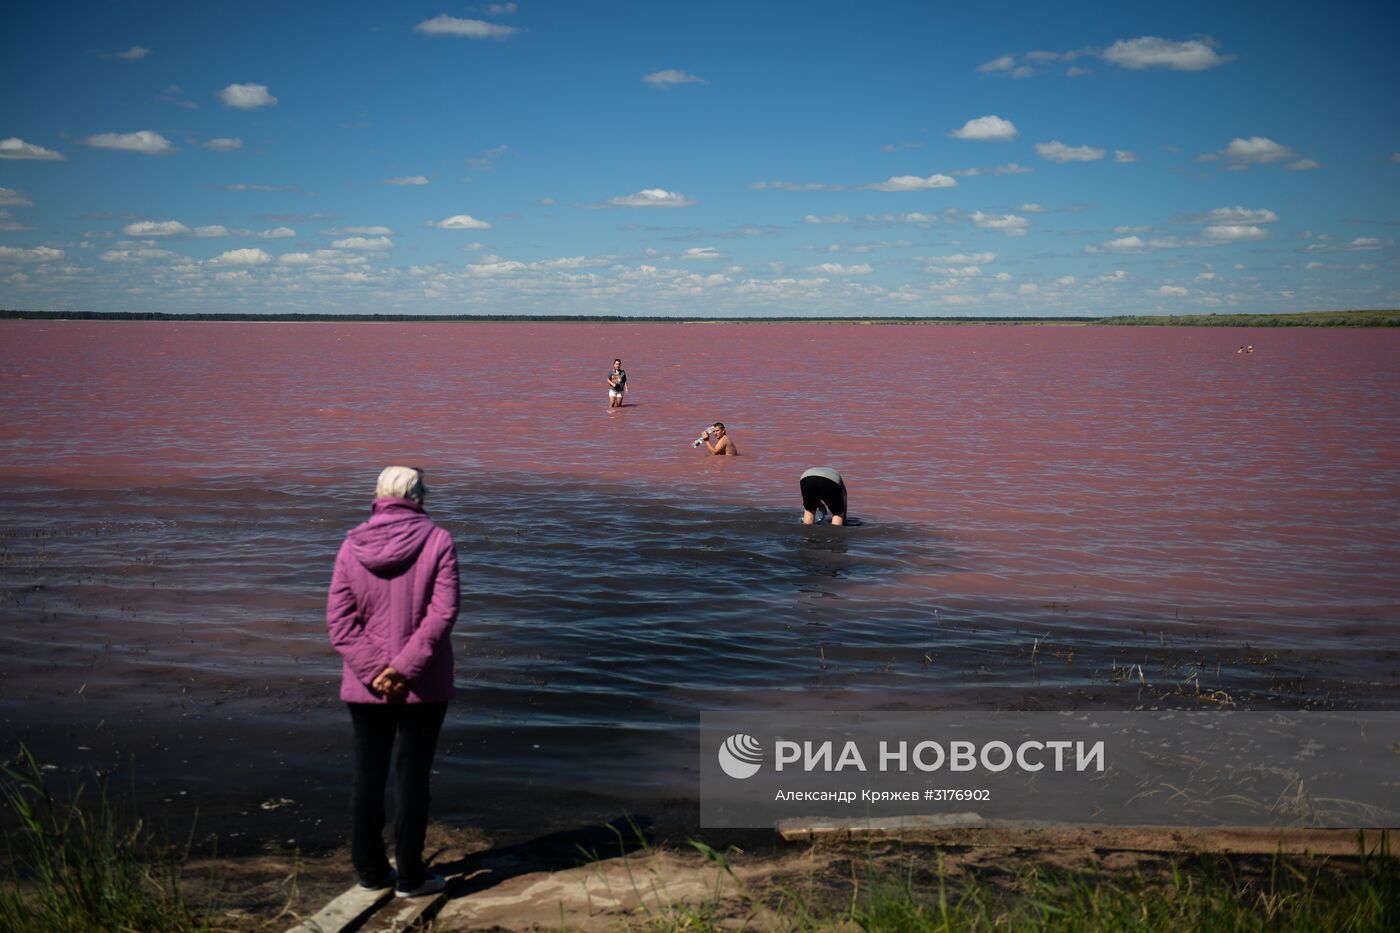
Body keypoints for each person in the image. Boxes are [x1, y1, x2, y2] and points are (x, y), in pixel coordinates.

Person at [327, 466, 459, 898]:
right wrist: (403, 670)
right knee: (413, 777)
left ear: (377, 495)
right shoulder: (439, 540)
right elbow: (442, 615)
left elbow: (339, 623)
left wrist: (375, 672)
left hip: (366, 687)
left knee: (368, 776)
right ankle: (410, 877)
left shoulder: (351, 544)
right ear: (420, 497)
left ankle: (369, 872)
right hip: (423, 684)